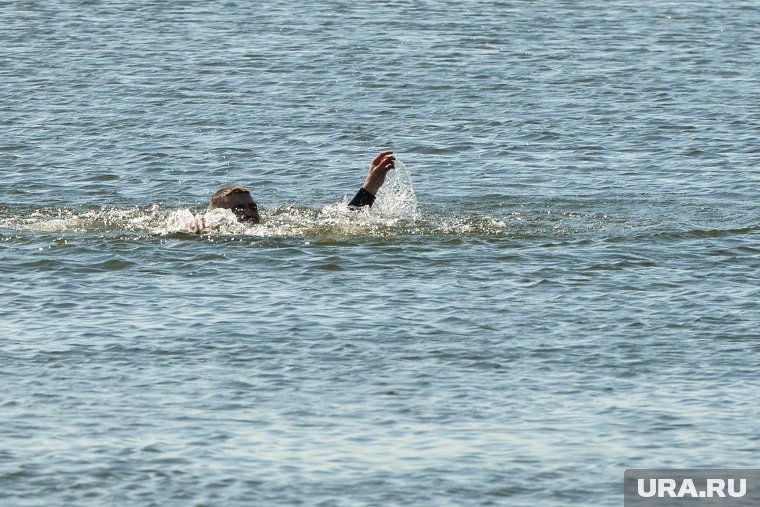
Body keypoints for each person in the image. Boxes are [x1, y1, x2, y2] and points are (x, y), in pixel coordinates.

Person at [188, 150, 395, 233]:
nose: (250, 213)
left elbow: (341, 224)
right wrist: (192, 226)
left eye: (253, 206)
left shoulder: (277, 225)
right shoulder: (207, 227)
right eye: (239, 208)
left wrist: (369, 189)